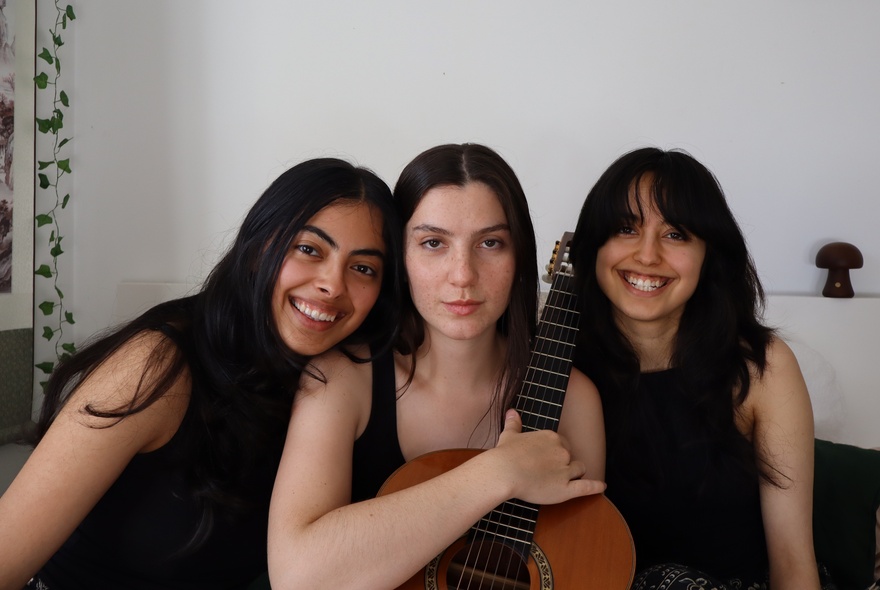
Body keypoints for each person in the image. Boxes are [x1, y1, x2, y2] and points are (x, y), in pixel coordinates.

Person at [0, 158, 404, 590]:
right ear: (257, 249)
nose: (333, 285)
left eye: (363, 268)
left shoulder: (338, 388)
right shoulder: (157, 366)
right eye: (309, 249)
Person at [267, 143, 606, 589]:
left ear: (519, 257)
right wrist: (498, 473)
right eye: (433, 243)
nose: (462, 274)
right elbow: (296, 578)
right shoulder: (341, 378)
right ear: (400, 261)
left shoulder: (572, 395)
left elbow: (583, 567)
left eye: (490, 243)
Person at [570, 147, 824, 590]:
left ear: (709, 253)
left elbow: (792, 559)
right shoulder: (553, 367)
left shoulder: (763, 368)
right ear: (594, 244)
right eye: (626, 228)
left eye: (676, 235)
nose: (647, 256)